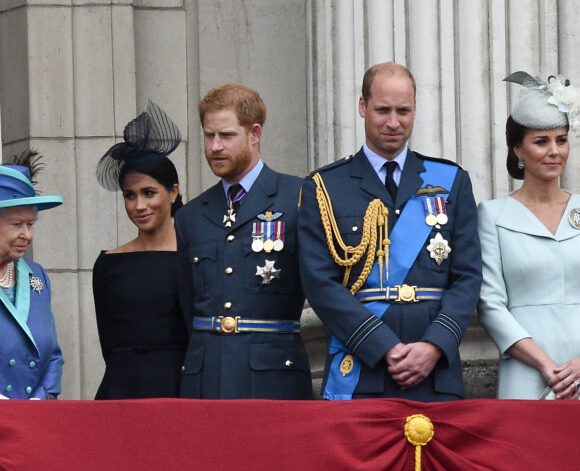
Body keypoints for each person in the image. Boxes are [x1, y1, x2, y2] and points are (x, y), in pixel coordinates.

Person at [298, 62, 482, 401]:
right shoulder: (325, 187)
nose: (394, 123)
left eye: (404, 111)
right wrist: (381, 345)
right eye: (383, 110)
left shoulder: (450, 181)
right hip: (361, 368)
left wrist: (434, 345)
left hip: (435, 371)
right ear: (362, 107)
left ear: (415, 111)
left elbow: (468, 277)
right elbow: (319, 282)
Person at [176, 83, 313, 399]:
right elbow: (188, 307)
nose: (215, 146)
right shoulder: (191, 216)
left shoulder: (299, 197)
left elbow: (322, 287)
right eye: (209, 136)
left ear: (254, 134)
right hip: (206, 379)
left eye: (226, 135)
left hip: (274, 379)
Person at [478, 71, 580, 400]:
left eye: (561, 140)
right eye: (541, 141)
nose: (554, 151)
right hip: (526, 371)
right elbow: (490, 304)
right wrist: (546, 365)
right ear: (519, 150)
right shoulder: (492, 215)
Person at [93, 101, 189, 399]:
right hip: (119, 393)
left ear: (173, 192)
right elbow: (108, 342)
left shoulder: (193, 257)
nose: (139, 206)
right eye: (130, 195)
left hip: (180, 391)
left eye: (149, 193)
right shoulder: (108, 263)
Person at [0, 150, 64, 399]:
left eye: (30, 224)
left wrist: (41, 399)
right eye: (17, 224)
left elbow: (53, 357)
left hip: (33, 421)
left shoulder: (36, 276)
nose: (27, 235)